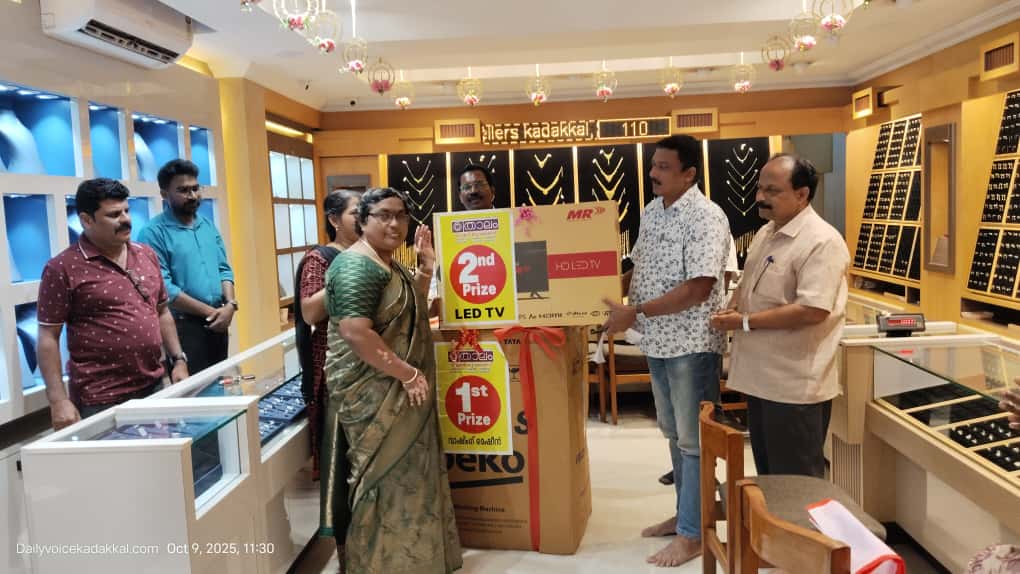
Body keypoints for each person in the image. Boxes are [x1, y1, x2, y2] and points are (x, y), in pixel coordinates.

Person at [318, 188, 462, 573]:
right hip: (374, 394)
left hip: (402, 389)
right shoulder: (356, 266)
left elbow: (409, 310)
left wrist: (426, 268)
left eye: (400, 215)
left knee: (410, 473)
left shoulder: (387, 263)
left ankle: (415, 560)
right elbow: (355, 332)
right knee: (383, 477)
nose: (394, 224)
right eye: (383, 215)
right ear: (362, 221)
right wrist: (408, 373)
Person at [603, 134, 730, 567]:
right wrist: (604, 298)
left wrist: (635, 311)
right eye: (653, 165)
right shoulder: (652, 211)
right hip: (656, 341)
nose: (653, 173)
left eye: (663, 167)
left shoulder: (706, 217)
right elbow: (638, 269)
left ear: (689, 173)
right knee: (675, 435)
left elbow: (699, 288)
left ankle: (694, 535)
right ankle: (685, 518)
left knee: (694, 441)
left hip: (691, 344)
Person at [710, 154, 850, 478]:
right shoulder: (767, 233)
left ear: (802, 194)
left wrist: (744, 321)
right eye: (760, 188)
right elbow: (752, 287)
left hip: (793, 386)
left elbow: (812, 309)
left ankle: (799, 518)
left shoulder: (822, 241)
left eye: (772, 191)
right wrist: (734, 307)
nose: (760, 197)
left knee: (797, 483)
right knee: (771, 480)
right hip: (760, 380)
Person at [37, 179, 189, 430]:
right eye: (114, 214)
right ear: (86, 220)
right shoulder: (62, 268)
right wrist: (58, 400)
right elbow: (48, 336)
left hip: (153, 386)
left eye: (126, 211)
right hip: (101, 398)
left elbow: (162, 311)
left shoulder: (146, 254)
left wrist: (179, 360)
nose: (126, 219)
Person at [138, 159, 237, 374]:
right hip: (183, 327)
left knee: (219, 385)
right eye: (183, 190)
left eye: (195, 188)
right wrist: (213, 313)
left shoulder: (207, 225)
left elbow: (224, 269)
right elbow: (164, 288)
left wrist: (230, 305)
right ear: (164, 194)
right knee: (194, 391)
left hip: (218, 321)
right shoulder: (152, 233)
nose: (192, 195)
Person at [658, 234, 738, 487]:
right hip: (663, 339)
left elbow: (718, 282)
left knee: (695, 432)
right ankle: (688, 482)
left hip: (696, 337)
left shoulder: (709, 224)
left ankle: (700, 489)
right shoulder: (657, 221)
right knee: (677, 430)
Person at [294, 188, 361, 481]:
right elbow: (310, 312)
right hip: (334, 361)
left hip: (366, 358)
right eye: (355, 212)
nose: (363, 217)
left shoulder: (369, 252)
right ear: (334, 220)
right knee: (340, 442)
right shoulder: (320, 258)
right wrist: (343, 273)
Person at [428, 163, 498, 316]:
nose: (473, 191)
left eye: (479, 185)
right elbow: (437, 279)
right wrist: (433, 298)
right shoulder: (447, 233)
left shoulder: (513, 225)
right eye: (466, 187)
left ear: (492, 191)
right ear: (460, 196)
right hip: (464, 317)